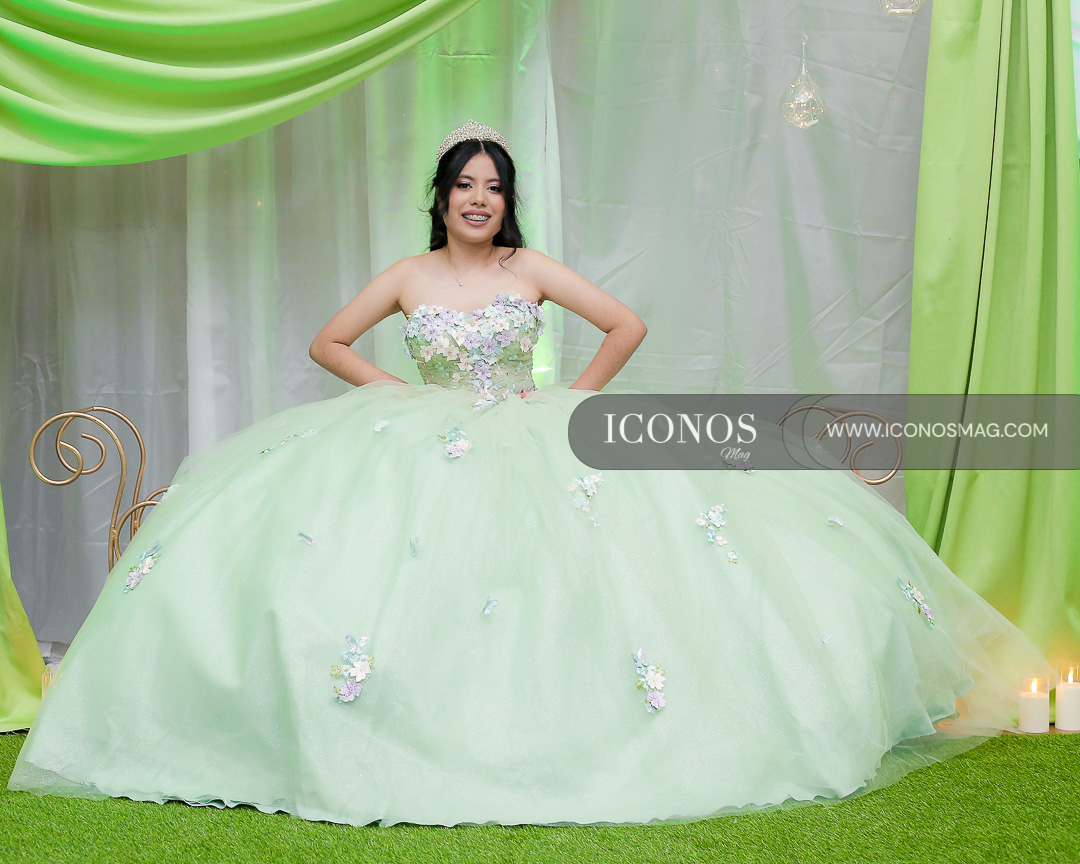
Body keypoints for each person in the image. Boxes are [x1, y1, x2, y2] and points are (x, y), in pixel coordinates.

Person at [7, 121, 1054, 828]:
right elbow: (329, 342)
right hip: (428, 435)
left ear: (507, 203)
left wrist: (577, 397)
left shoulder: (527, 269)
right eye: (464, 185)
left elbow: (625, 322)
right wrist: (394, 393)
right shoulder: (409, 275)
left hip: (531, 423)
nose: (479, 199)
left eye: (494, 187)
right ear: (440, 198)